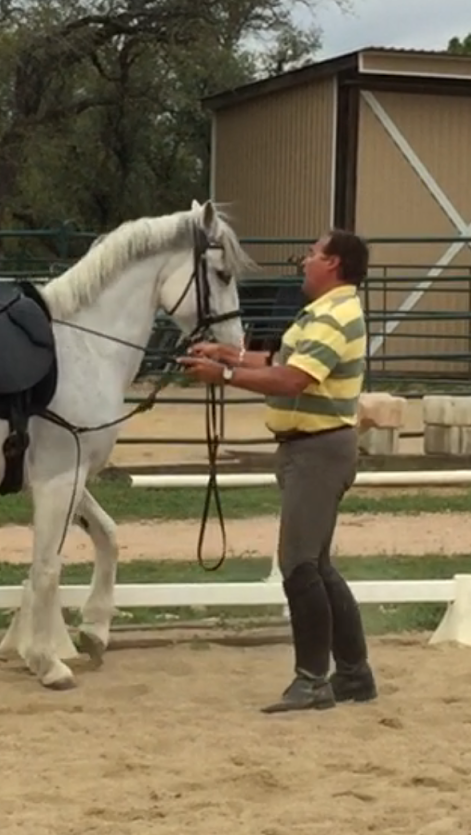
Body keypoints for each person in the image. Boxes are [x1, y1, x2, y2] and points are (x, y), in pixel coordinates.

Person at [175, 228, 376, 714]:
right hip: (312, 449)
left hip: (317, 451)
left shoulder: (333, 316)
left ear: (333, 264)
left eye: (312, 254)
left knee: (298, 565)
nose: (304, 261)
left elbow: (292, 379)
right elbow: (282, 361)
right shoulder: (325, 312)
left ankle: (313, 681)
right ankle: (353, 674)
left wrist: (225, 375)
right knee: (318, 565)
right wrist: (228, 354)